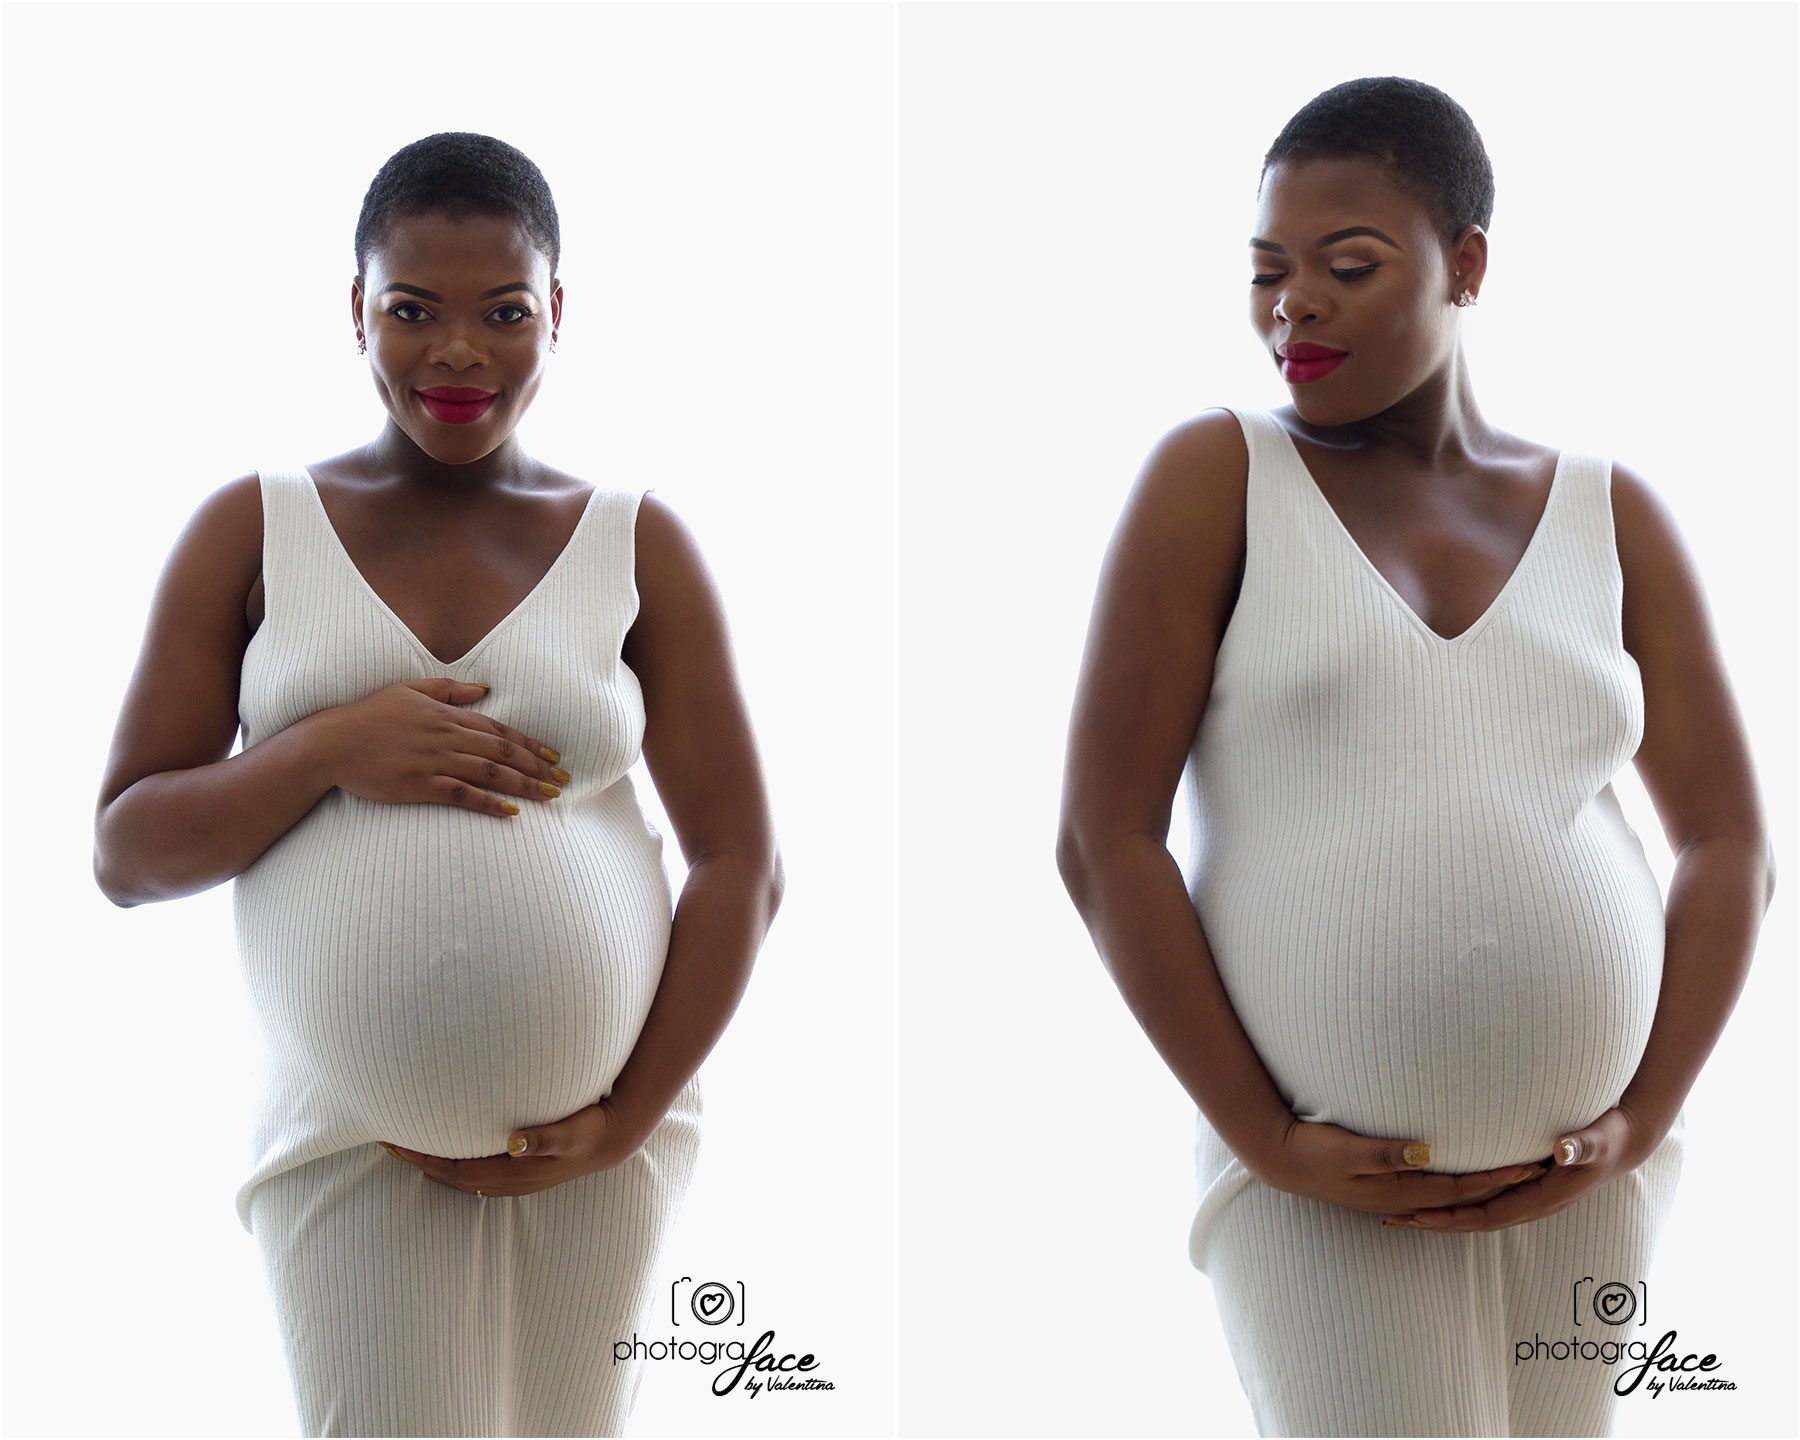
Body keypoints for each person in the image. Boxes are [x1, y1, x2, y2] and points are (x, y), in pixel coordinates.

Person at [1054, 77, 1774, 1437]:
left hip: (1585, 1190)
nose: (1294, 305)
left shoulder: (1608, 515)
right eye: (1268, 271)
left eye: (1349, 265)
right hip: (1326, 1192)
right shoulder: (1218, 479)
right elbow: (1104, 841)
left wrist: (1643, 1112)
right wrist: (1268, 1142)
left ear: (1470, 266)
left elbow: (1729, 845)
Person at [93, 132, 784, 1437]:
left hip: (597, 1153)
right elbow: (128, 854)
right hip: (352, 1140)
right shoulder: (255, 528)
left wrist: (625, 1119)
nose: (458, 352)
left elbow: (744, 862)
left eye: (503, 312)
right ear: (356, 311)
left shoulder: (636, 541)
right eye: (412, 311)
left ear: (557, 313)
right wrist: (322, 749)